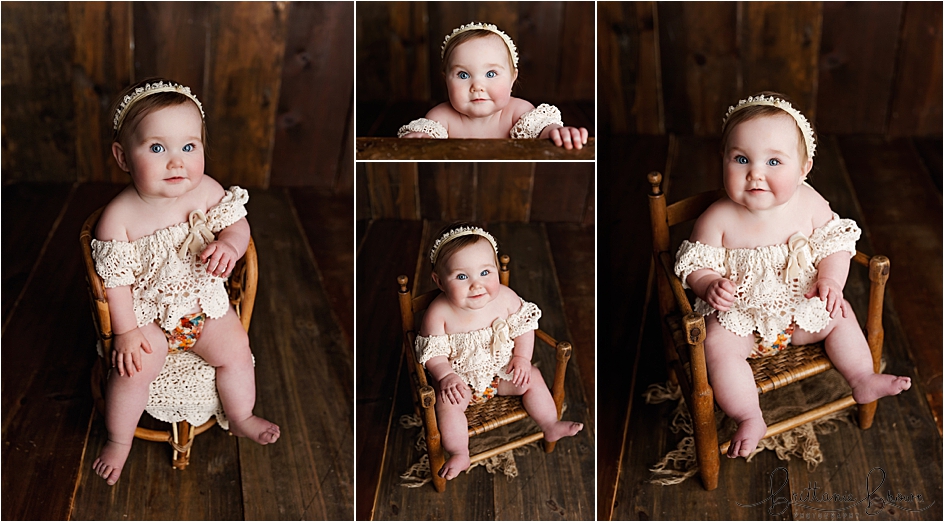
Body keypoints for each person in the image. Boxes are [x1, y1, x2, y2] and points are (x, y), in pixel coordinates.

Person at [675, 92, 911, 459]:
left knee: (841, 317)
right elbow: (693, 263)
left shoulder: (810, 202)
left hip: (800, 310)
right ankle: (749, 415)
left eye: (773, 161)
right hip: (743, 321)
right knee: (717, 349)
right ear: (723, 160)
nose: (755, 173)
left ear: (804, 169)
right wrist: (708, 283)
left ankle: (862, 378)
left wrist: (830, 280)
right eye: (741, 159)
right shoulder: (717, 217)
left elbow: (836, 243)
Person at [90, 78, 280, 485]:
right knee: (132, 373)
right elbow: (116, 283)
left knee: (235, 350)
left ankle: (241, 415)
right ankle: (117, 441)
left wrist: (230, 243)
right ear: (123, 157)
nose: (176, 162)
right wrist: (124, 333)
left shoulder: (207, 190)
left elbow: (238, 225)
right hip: (150, 318)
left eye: (188, 147)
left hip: (203, 305)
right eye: (157, 148)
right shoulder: (118, 218)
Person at [416, 224, 583, 480]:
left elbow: (524, 327)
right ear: (439, 281)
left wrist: (521, 359)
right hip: (462, 383)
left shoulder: (505, 298)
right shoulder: (438, 313)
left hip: (500, 373)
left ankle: (550, 425)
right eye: (462, 277)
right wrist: (446, 375)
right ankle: (460, 452)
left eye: (485, 272)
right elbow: (433, 351)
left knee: (534, 378)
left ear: (496, 269)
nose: (476, 285)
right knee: (447, 406)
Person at [398, 22, 589, 149]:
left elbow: (542, 129)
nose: (477, 86)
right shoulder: (442, 117)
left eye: (491, 74)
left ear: (513, 77)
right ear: (446, 79)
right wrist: (420, 139)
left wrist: (557, 132)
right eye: (463, 74)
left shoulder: (518, 112)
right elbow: (424, 138)